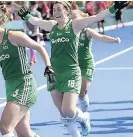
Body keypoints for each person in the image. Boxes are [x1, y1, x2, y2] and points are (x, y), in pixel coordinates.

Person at [18, 1, 129, 137]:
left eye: (59, 9)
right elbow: (36, 21)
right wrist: (26, 15)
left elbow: (96, 17)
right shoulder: (52, 25)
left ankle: (83, 118)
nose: (56, 12)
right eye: (54, 10)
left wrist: (115, 7)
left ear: (67, 11)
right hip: (54, 73)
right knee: (63, 114)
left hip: (71, 72)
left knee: (68, 110)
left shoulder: (75, 25)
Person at [0, 5, 55, 137]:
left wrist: (48, 66)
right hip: (10, 88)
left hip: (24, 85)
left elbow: (39, 48)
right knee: (24, 133)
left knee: (5, 128)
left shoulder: (13, 36)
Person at [70, 10, 122, 112]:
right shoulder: (68, 32)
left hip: (86, 64)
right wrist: (42, 36)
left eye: (75, 17)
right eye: (71, 18)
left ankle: (84, 112)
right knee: (73, 91)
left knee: (81, 93)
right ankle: (78, 115)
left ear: (82, 18)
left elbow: (101, 37)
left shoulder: (87, 31)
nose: (73, 20)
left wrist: (114, 40)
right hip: (74, 65)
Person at [24, 1, 43, 66]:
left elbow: (39, 22)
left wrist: (35, 31)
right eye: (34, 5)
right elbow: (25, 23)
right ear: (31, 5)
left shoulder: (38, 13)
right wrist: (28, 30)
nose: (35, 6)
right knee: (30, 46)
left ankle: (32, 60)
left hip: (35, 32)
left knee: (34, 46)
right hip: (29, 32)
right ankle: (33, 59)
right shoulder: (27, 13)